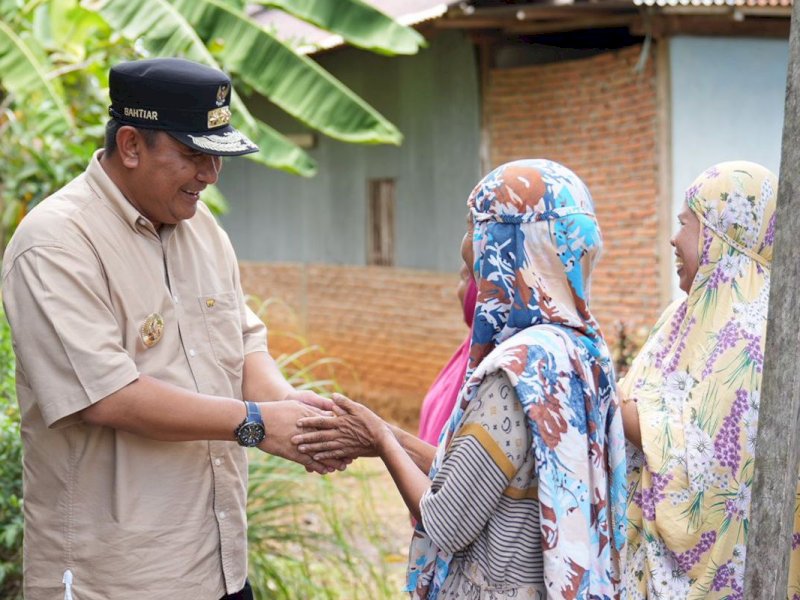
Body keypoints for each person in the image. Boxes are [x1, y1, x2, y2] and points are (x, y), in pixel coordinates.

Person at [1, 57, 340, 600]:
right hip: (117, 577)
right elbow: (108, 396)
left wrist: (289, 409)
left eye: (216, 157)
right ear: (131, 146)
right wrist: (257, 423)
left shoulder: (201, 227)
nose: (209, 175)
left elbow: (244, 342)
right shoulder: (56, 243)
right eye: (192, 155)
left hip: (218, 564)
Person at [294, 159, 627, 599]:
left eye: (476, 227)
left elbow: (444, 522)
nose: (466, 244)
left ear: (510, 247)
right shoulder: (582, 350)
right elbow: (485, 479)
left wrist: (379, 440)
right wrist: (388, 434)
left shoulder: (516, 373)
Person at [618, 161, 800, 598]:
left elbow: (703, 464)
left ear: (722, 235)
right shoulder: (681, 316)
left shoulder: (755, 340)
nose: (673, 238)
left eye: (685, 223)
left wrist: (596, 400)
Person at [417, 265, 477, 446]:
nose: (458, 289)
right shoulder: (466, 354)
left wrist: (381, 437)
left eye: (465, 277)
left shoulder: (491, 366)